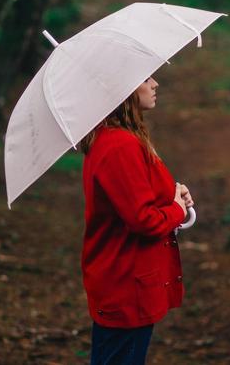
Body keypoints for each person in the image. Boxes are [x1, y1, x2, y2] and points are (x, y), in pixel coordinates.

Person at [79, 76, 194, 365]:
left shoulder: (120, 139)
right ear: (124, 90)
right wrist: (177, 210)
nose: (155, 83)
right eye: (145, 79)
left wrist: (173, 196)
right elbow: (143, 219)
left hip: (124, 280)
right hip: (126, 285)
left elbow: (134, 199)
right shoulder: (119, 146)